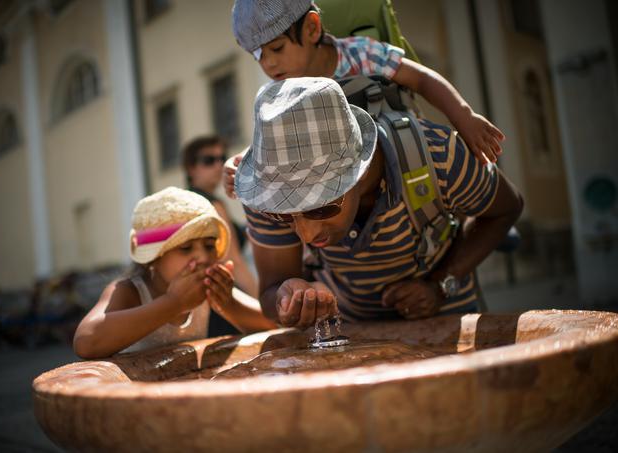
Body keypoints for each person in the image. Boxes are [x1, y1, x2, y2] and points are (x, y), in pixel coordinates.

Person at [234, 77, 523, 329]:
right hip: (350, 333)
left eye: (320, 207)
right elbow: (271, 292)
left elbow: (507, 208)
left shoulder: (439, 157)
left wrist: (440, 284)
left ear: (360, 170)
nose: (306, 234)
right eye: (286, 216)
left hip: (449, 323)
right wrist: (287, 300)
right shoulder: (267, 192)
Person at [224, 0, 504, 198]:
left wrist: (464, 116)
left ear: (311, 28)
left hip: (406, 170)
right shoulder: (283, 96)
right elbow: (278, 145)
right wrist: (243, 161)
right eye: (259, 55)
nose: (269, 64)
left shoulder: (361, 55)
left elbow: (421, 79)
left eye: (276, 48)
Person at [73, 187, 275, 359]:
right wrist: (174, 303)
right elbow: (86, 341)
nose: (203, 257)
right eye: (186, 248)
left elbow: (272, 325)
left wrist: (228, 304)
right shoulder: (130, 291)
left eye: (209, 245)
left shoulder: (203, 289)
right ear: (154, 257)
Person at [182, 135, 260, 336]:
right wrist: (261, 304)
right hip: (225, 298)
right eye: (209, 160)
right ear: (191, 168)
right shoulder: (213, 205)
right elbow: (234, 262)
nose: (218, 165)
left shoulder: (184, 203)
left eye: (221, 158)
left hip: (199, 299)